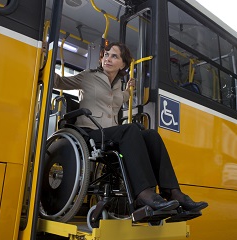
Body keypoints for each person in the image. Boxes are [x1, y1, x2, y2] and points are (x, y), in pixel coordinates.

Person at [54, 42, 208, 212]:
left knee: (151, 135)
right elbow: (59, 82)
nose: (108, 58)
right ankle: (143, 194)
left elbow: (120, 98)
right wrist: (43, 57)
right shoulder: (88, 76)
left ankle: (172, 192)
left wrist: (128, 90)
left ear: (123, 64)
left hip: (110, 134)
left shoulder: (118, 84)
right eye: (106, 54)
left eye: (114, 56)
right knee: (130, 129)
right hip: (89, 133)